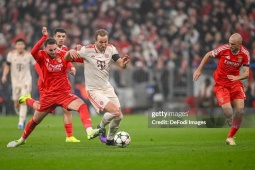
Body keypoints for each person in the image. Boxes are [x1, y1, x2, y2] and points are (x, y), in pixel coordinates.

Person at [6, 27, 104, 148]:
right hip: (48, 95)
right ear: (45, 49)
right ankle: (21, 139)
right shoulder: (41, 56)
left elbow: (78, 58)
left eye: (55, 49)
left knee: (82, 106)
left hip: (64, 94)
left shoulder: (63, 53)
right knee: (35, 119)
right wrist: (43, 37)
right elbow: (33, 51)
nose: (53, 52)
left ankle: (89, 132)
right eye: (50, 50)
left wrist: (81, 53)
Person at [65, 29, 130, 146]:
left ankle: (110, 140)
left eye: (105, 41)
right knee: (114, 111)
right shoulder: (86, 50)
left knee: (119, 115)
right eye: (101, 42)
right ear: (95, 41)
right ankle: (100, 127)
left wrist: (124, 63)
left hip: (107, 87)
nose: (104, 44)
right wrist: (70, 51)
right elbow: (67, 59)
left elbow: (121, 64)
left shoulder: (111, 49)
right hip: (94, 90)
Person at [193, 33, 250, 145]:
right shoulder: (223, 49)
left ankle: (230, 137)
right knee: (228, 112)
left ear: (240, 44)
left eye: (233, 44)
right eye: (229, 43)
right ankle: (229, 118)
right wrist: (199, 69)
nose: (230, 45)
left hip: (235, 83)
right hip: (221, 85)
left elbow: (247, 73)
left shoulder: (245, 54)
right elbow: (209, 54)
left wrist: (237, 77)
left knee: (240, 111)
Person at [32, 28, 81, 142]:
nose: (61, 39)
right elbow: (37, 64)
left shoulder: (64, 49)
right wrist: (43, 77)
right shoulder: (46, 51)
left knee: (67, 108)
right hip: (46, 85)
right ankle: (28, 100)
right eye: (59, 36)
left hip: (61, 86)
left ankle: (69, 136)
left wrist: (72, 67)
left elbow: (66, 60)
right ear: (53, 38)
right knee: (43, 110)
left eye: (63, 37)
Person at [1, 38, 36, 129]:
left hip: (26, 81)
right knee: (16, 102)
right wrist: (4, 75)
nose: (20, 46)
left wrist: (41, 75)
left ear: (24, 46)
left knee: (23, 100)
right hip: (15, 81)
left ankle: (21, 122)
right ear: (15, 46)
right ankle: (20, 113)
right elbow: (7, 66)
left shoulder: (29, 55)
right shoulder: (11, 55)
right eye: (18, 44)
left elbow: (35, 65)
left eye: (22, 44)